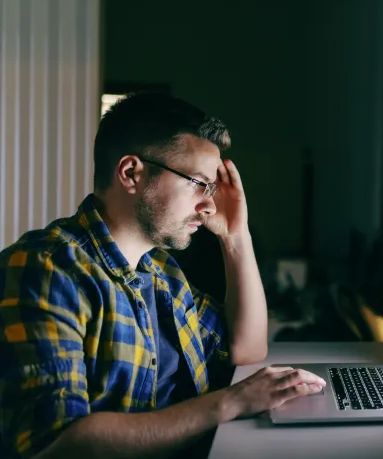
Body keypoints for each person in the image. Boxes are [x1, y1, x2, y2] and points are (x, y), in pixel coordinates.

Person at [0, 93, 326, 459]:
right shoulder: (47, 271)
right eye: (197, 183)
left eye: (212, 188)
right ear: (131, 173)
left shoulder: (161, 272)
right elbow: (57, 444)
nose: (210, 205)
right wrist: (229, 403)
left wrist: (237, 236)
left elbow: (248, 348)